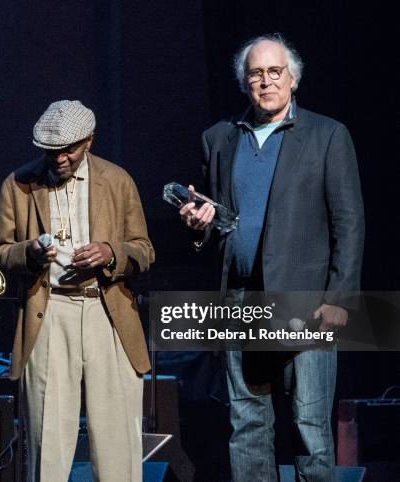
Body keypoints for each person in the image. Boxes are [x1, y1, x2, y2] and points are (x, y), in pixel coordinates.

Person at [179, 34, 364, 481]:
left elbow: (349, 222)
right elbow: (219, 219)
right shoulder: (219, 137)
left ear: (293, 79)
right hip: (241, 300)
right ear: (244, 84)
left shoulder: (327, 135)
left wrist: (340, 296)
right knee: (246, 425)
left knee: (310, 427)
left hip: (306, 302)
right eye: (255, 74)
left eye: (274, 72)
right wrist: (199, 225)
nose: (266, 82)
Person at [0, 100, 154, 482]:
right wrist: (28, 253)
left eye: (69, 149)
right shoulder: (18, 184)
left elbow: (144, 249)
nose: (59, 157)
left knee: (116, 442)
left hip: (107, 310)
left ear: (89, 141)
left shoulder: (117, 180)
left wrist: (111, 252)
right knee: (48, 438)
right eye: (51, 150)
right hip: (49, 313)